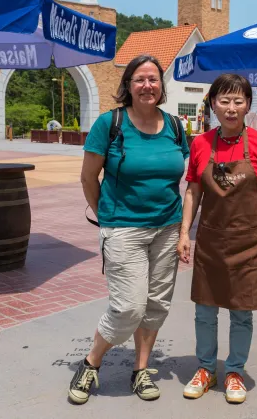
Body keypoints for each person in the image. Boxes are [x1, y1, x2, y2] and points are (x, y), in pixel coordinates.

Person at [68, 54, 189, 405]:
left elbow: (182, 176)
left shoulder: (176, 126)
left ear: (161, 86)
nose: (147, 85)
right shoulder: (111, 123)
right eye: (140, 79)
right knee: (128, 308)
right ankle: (91, 362)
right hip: (123, 229)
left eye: (153, 79)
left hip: (167, 226)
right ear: (129, 85)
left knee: (156, 305)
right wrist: (106, 216)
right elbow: (89, 177)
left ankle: (141, 369)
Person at [177, 73, 257, 405]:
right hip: (210, 240)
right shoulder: (200, 143)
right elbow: (193, 192)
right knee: (204, 310)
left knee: (242, 311)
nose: (232, 107)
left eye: (239, 100)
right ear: (212, 104)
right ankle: (206, 368)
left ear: (248, 104)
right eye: (224, 100)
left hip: (250, 242)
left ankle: (235, 370)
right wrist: (184, 233)